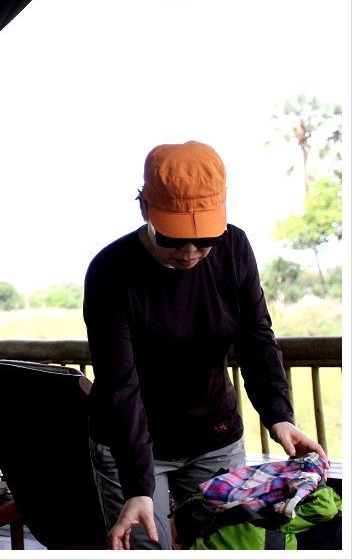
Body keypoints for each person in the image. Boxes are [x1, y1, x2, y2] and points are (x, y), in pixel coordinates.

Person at [83, 140, 327, 550]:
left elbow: (256, 337)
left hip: (213, 435)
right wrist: (138, 487)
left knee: (227, 545)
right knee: (147, 547)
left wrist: (278, 415)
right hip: (132, 444)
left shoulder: (235, 249)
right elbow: (120, 385)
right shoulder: (111, 273)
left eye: (206, 237)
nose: (191, 252)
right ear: (144, 209)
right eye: (174, 238)